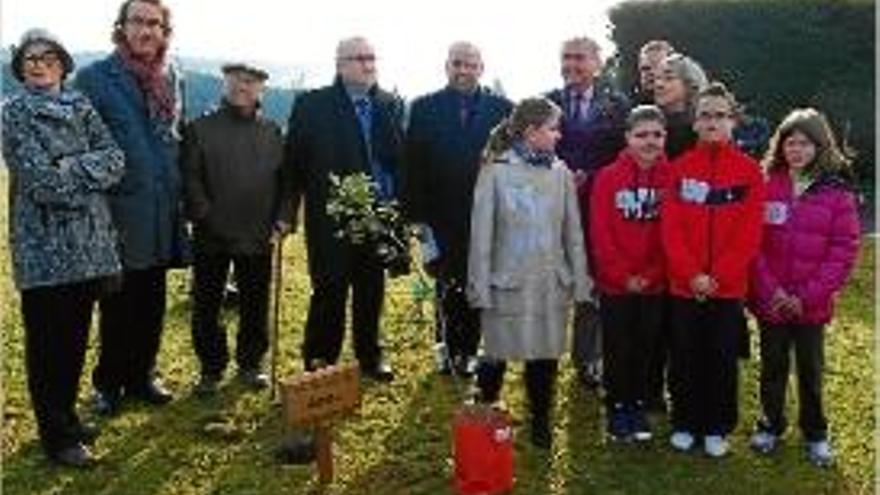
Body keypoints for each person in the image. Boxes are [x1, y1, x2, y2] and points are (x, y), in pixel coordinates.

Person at [3, 29, 125, 466]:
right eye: (29, 58)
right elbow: (41, 183)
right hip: (43, 247)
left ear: (62, 63)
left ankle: (68, 419)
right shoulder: (13, 113)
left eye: (47, 56)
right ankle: (56, 437)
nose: (37, 63)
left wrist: (69, 164)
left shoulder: (81, 104)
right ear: (20, 68)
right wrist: (85, 177)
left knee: (74, 338)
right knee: (48, 344)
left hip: (89, 245)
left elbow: (116, 159)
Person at [75, 0, 186, 414]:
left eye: (154, 23)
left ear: (164, 31)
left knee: (152, 297)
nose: (146, 30)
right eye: (137, 21)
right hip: (117, 211)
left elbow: (175, 136)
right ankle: (108, 384)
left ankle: (142, 375)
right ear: (121, 27)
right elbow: (81, 147)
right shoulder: (94, 78)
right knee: (118, 301)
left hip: (162, 208)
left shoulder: (172, 76)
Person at [469, 97, 592, 449]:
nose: (558, 136)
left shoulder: (561, 174)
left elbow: (573, 234)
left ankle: (541, 420)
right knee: (496, 353)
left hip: (550, 284)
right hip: (506, 282)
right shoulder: (495, 171)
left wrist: (581, 280)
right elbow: (481, 236)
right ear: (531, 131)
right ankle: (485, 416)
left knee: (544, 357)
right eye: (553, 129)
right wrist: (479, 285)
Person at [283, 36, 404, 381]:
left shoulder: (389, 103)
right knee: (330, 290)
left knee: (371, 290)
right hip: (330, 218)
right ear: (340, 64)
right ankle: (321, 361)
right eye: (359, 58)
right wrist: (286, 213)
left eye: (372, 57)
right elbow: (293, 164)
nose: (368, 64)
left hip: (379, 215)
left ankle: (370, 356)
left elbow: (399, 158)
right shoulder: (313, 105)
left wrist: (400, 206)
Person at [747, 108, 860, 467]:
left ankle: (815, 433)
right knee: (773, 366)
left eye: (804, 143)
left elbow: (843, 251)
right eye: (789, 143)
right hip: (772, 301)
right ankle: (771, 424)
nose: (796, 150)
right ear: (780, 146)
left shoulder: (837, 192)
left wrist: (807, 296)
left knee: (810, 370)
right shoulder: (766, 185)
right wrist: (771, 291)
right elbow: (752, 244)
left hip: (811, 304)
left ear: (820, 146)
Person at [662, 82, 765, 458]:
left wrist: (716, 276)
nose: (712, 121)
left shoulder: (751, 172)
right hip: (684, 286)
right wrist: (692, 275)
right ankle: (686, 422)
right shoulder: (678, 169)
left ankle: (718, 426)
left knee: (722, 357)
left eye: (720, 115)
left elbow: (749, 234)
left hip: (727, 288)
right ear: (694, 122)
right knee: (685, 355)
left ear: (732, 121)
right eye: (705, 115)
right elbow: (670, 229)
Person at [404, 41, 513, 376]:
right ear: (446, 66)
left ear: (482, 68)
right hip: (441, 215)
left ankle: (472, 347)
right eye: (457, 64)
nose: (463, 70)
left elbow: (513, 165)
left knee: (481, 281)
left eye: (470, 64)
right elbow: (412, 166)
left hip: (488, 214)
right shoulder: (424, 107)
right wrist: (418, 219)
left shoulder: (504, 108)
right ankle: (448, 349)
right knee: (447, 283)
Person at [182, 62, 288, 395]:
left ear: (262, 89)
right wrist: (205, 216)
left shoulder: (273, 132)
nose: (243, 86)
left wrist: (284, 218)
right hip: (211, 233)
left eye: (251, 81)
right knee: (207, 304)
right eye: (236, 80)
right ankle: (211, 368)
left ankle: (251, 363)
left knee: (255, 303)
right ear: (224, 83)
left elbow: (287, 182)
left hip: (258, 233)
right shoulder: (200, 128)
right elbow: (190, 179)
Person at [545, 36, 629, 390]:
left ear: (598, 63)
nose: (571, 65)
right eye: (566, 58)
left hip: (599, 208)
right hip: (552, 211)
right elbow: (526, 148)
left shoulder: (617, 105)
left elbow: (627, 154)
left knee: (592, 286)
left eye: (579, 58)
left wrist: (592, 176)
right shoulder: (544, 102)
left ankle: (587, 360)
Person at [589, 105, 670, 442]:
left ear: (665, 137)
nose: (649, 141)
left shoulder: (674, 177)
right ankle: (616, 406)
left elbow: (675, 233)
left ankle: (638, 403)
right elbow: (600, 232)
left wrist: (650, 275)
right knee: (617, 346)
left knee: (646, 346)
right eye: (641, 135)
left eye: (656, 135)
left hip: (655, 282)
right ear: (627, 138)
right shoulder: (608, 177)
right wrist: (623, 276)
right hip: (615, 284)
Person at [653, 53, 708, 159]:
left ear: (689, 84)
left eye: (668, 78)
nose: (658, 84)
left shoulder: (704, 129)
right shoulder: (647, 124)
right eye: (656, 78)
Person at [634, 39, 675, 105]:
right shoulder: (626, 110)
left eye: (658, 67)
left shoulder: (692, 109)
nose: (651, 72)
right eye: (646, 69)